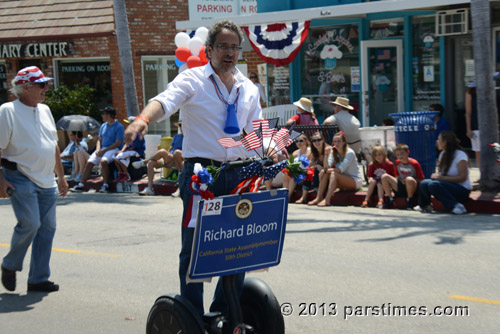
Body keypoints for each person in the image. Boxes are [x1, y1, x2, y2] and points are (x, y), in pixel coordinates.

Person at [123, 20, 262, 317]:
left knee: (236, 249)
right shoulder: (192, 80)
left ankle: (224, 315)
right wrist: (142, 120)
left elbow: (255, 133)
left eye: (234, 47)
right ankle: (192, 317)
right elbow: (164, 102)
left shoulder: (247, 88)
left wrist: (268, 157)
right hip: (202, 174)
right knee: (195, 250)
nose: (229, 52)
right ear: (209, 49)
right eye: (223, 46)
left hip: (238, 173)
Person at [0, 66, 68, 293]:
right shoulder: (7, 111)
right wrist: (0, 181)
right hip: (19, 176)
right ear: (25, 87)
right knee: (30, 223)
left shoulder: (45, 109)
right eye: (42, 85)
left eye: (46, 84)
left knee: (47, 228)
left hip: (46, 178)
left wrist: (61, 176)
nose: (46, 89)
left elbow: (53, 145)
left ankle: (38, 278)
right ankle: (10, 264)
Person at [415, 131, 471, 214]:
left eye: (438, 139)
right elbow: (442, 175)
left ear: (444, 142)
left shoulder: (460, 155)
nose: (437, 141)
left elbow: (463, 177)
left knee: (433, 184)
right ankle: (425, 205)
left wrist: (441, 178)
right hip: (447, 185)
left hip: (462, 189)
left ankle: (456, 206)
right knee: (424, 183)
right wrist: (437, 176)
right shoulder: (443, 154)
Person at [71, 107, 124, 193]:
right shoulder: (103, 126)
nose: (102, 116)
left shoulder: (119, 127)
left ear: (108, 115)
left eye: (103, 114)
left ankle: (105, 185)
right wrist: (98, 149)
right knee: (89, 162)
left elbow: (118, 143)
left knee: (103, 161)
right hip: (102, 148)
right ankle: (81, 185)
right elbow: (99, 139)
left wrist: (104, 150)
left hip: (114, 149)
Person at [312, 132, 363, 207]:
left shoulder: (350, 153)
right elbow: (327, 167)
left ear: (344, 142)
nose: (336, 143)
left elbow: (339, 170)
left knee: (332, 173)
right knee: (327, 173)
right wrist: (326, 154)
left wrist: (324, 170)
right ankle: (318, 197)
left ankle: (327, 200)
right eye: (335, 141)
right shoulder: (333, 152)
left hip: (355, 181)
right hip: (342, 179)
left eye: (339, 141)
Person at [134, 121, 184, 195]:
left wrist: (173, 154)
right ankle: (149, 189)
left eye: (182, 126)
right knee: (151, 163)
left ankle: (144, 162)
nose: (181, 127)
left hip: (179, 159)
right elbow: (170, 149)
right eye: (180, 126)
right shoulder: (176, 136)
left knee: (165, 151)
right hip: (169, 158)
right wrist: (168, 154)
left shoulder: (189, 138)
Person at [380, 143, 425, 209]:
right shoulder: (397, 162)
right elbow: (397, 176)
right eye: (397, 154)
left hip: (412, 187)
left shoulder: (414, 163)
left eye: (402, 153)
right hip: (401, 186)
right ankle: (390, 199)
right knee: (384, 176)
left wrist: (408, 180)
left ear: (408, 152)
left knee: (409, 179)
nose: (400, 156)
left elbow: (421, 179)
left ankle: (410, 200)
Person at [282, 133, 311, 203]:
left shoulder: (309, 150)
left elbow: (306, 163)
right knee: (287, 175)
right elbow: (290, 163)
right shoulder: (296, 152)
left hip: (306, 173)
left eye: (301, 141)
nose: (298, 143)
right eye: (297, 141)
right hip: (298, 172)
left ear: (306, 141)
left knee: (293, 175)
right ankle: (284, 196)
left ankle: (288, 197)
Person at [306, 132, 331, 205]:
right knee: (308, 171)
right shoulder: (314, 151)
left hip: (329, 173)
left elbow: (328, 166)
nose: (316, 142)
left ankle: (319, 196)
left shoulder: (328, 149)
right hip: (320, 174)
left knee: (317, 171)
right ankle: (304, 196)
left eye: (319, 140)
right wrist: (316, 166)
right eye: (314, 141)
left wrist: (319, 167)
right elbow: (310, 164)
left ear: (323, 140)